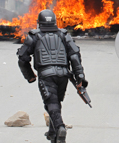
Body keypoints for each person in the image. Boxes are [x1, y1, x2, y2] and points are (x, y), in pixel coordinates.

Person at [17, 9, 87, 143]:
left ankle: (60, 127)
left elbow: (22, 58)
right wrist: (80, 76)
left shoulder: (34, 36)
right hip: (63, 75)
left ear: (39, 22)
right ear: (55, 21)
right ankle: (52, 132)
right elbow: (74, 55)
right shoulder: (64, 35)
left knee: (51, 103)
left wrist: (30, 76)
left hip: (46, 75)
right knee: (55, 103)